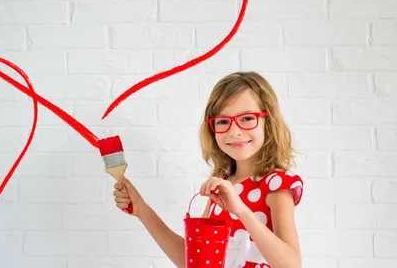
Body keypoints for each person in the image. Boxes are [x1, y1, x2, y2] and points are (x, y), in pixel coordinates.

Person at [112, 71, 303, 268]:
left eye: (247, 118)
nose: (234, 131)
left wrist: (240, 211)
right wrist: (142, 210)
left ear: (268, 121)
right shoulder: (223, 183)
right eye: (222, 121)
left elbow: (291, 265)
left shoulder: (275, 184)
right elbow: (191, 260)